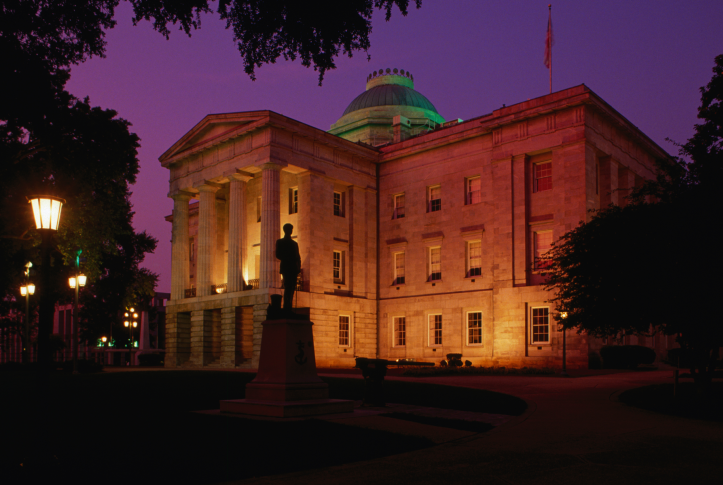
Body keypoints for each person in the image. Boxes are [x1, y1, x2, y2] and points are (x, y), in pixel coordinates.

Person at [275, 223, 301, 312]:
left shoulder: (294, 244)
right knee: (288, 286)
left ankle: (289, 305)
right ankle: (286, 306)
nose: (290, 231)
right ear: (285, 230)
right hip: (286, 267)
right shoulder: (280, 242)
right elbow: (277, 254)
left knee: (292, 287)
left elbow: (298, 257)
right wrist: (288, 257)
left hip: (293, 268)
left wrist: (299, 268)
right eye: (289, 229)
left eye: (291, 229)